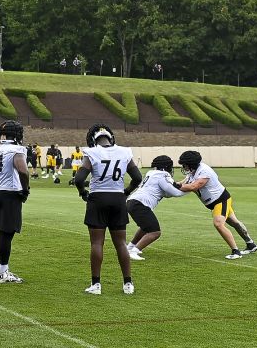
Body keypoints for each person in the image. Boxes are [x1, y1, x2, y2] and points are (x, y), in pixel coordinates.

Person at [73, 123, 142, 295]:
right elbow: (137, 178)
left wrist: (83, 192)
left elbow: (79, 178)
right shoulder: (125, 152)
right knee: (121, 243)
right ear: (111, 138)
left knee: (97, 243)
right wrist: (125, 192)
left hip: (98, 199)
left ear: (93, 139)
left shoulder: (92, 152)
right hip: (118, 198)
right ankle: (128, 284)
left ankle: (96, 285)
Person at [176, 150, 257, 259]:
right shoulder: (194, 171)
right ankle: (251, 244)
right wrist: (170, 186)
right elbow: (184, 183)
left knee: (218, 224)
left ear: (191, 164)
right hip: (215, 202)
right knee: (235, 223)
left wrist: (172, 185)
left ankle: (236, 251)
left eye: (185, 164)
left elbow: (193, 187)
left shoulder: (204, 171)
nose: (183, 166)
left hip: (220, 200)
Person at [0, 120, 31, 284]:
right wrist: (25, 190)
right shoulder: (16, 149)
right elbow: (23, 171)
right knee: (6, 234)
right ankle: (2, 272)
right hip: (9, 194)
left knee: (3, 234)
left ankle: (3, 270)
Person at [124, 154, 185, 260]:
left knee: (145, 228)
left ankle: (130, 247)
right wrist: (193, 187)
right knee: (155, 232)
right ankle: (135, 251)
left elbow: (167, 193)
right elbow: (175, 193)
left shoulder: (151, 173)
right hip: (140, 203)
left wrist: (183, 183)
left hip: (132, 201)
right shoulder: (162, 175)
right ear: (167, 167)